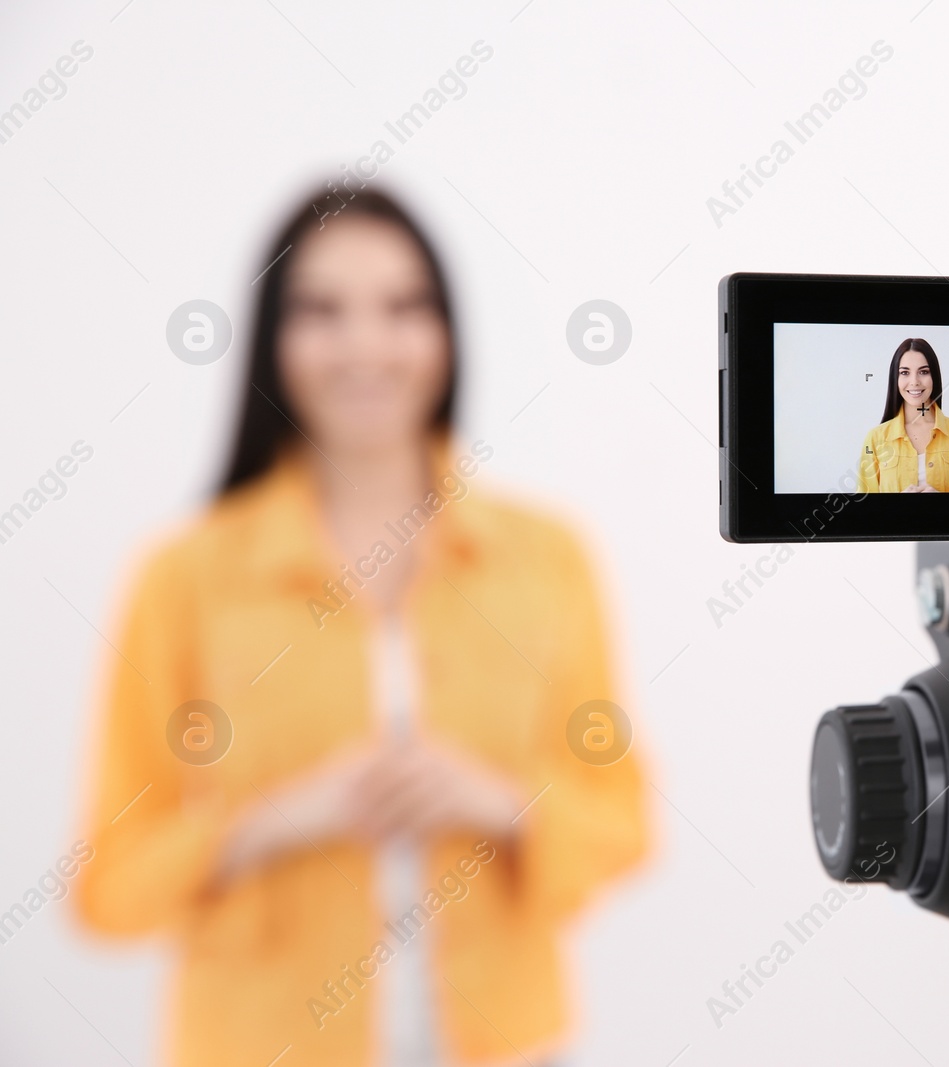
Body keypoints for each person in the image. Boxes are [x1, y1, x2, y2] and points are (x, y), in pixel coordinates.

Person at [74, 190, 649, 1067]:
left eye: (403, 306)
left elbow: (624, 821)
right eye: (322, 310)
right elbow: (110, 886)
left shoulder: (550, 557)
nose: (366, 347)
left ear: (447, 333)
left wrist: (499, 799)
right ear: (274, 335)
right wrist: (269, 821)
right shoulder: (182, 579)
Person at [857, 338, 949, 493]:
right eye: (904, 372)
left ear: (934, 377)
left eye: (923, 372)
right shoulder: (875, 438)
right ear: (895, 379)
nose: (914, 381)